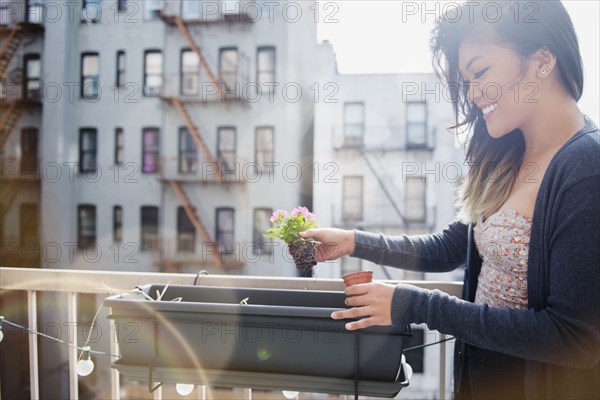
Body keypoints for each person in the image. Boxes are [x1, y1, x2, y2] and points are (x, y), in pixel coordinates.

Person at [300, 1, 599, 399]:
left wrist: (415, 304)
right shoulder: (506, 155)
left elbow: (574, 339)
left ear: (542, 59)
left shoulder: (585, 167)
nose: (472, 94)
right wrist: (355, 241)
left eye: (480, 72)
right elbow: (451, 248)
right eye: (466, 81)